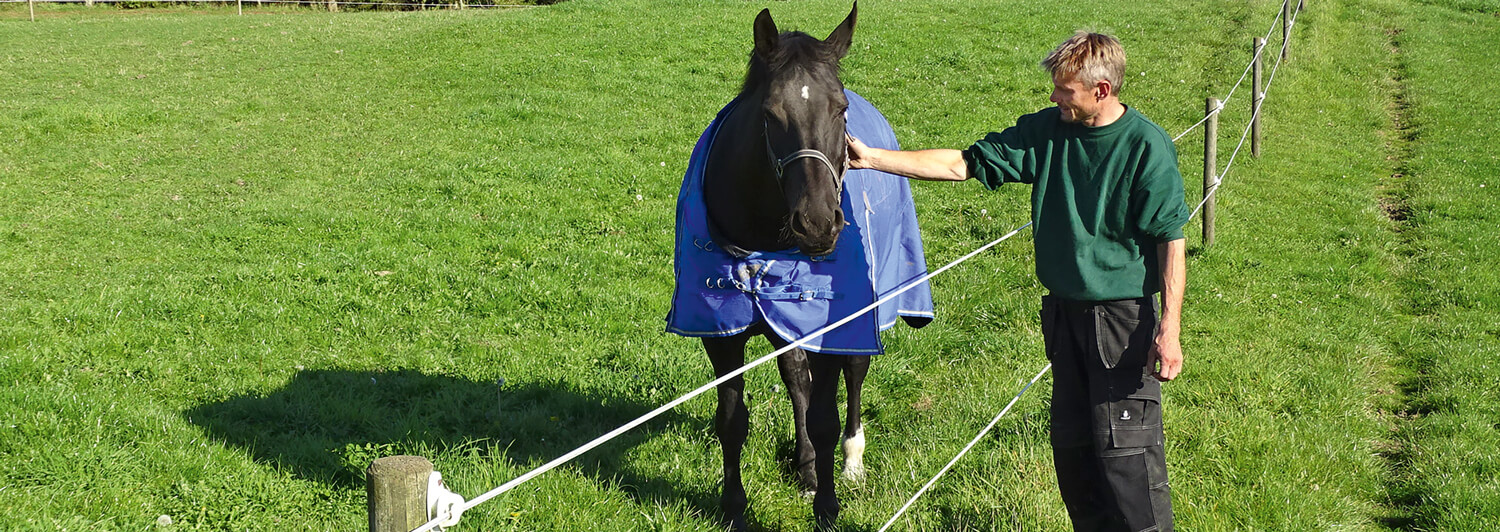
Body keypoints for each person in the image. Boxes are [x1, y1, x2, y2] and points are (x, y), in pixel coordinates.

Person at [847, 31, 1187, 531]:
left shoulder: (1145, 146)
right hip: (1063, 317)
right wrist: (873, 158)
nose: (1054, 96)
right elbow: (962, 164)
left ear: (1101, 91)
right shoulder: (1047, 131)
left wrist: (1169, 327)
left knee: (1127, 458)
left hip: (1123, 321)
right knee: (1073, 453)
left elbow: (1170, 240)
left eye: (1065, 90)